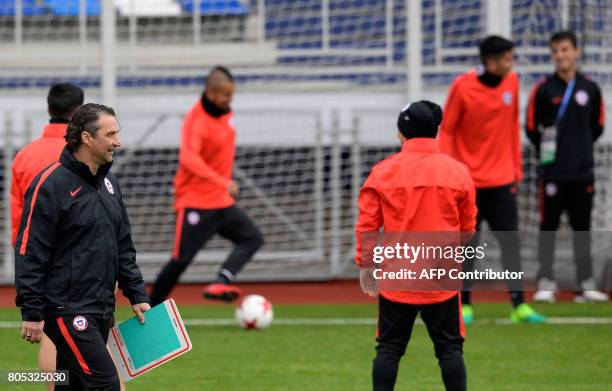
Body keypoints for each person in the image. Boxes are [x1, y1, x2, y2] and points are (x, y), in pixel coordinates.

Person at [15, 103, 150, 390]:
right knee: (106, 384)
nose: (118, 141)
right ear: (87, 138)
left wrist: (137, 293)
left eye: (118, 132)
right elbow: (30, 251)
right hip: (67, 310)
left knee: (70, 385)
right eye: (111, 133)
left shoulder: (110, 183)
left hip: (101, 307)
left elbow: (123, 245)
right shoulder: (50, 184)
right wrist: (32, 312)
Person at [355, 101, 477, 391]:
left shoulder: (383, 172)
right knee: (450, 351)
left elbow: (368, 225)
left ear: (402, 133)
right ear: (435, 131)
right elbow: (468, 228)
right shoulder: (457, 172)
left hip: (398, 277)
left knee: (388, 350)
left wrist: (366, 264)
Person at [439, 35, 546, 324]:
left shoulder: (512, 83)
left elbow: (512, 128)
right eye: (507, 58)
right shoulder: (462, 86)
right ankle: (465, 305)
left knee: (510, 243)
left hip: (502, 181)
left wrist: (516, 171)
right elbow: (447, 130)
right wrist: (451, 171)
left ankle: (518, 305)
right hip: (468, 183)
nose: (512, 63)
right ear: (490, 61)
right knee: (468, 246)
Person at [150, 66, 263, 305]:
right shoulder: (196, 120)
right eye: (225, 95)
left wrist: (222, 186)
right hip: (196, 202)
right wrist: (222, 181)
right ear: (210, 93)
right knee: (180, 260)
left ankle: (222, 281)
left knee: (252, 237)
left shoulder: (225, 113)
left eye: (231, 94)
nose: (229, 99)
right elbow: (188, 159)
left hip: (221, 200)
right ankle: (149, 309)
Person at [10, 82, 83, 391]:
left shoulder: (24, 156)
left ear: (49, 109)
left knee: (56, 335)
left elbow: (17, 218)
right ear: (79, 112)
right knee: (91, 338)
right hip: (80, 260)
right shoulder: (82, 154)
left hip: (40, 260)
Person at [526, 30, 608, 303]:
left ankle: (584, 284)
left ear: (576, 52)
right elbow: (530, 127)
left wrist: (579, 149)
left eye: (565, 50)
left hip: (583, 172)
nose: (560, 56)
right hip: (552, 173)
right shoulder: (542, 89)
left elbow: (597, 127)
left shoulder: (591, 88)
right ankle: (546, 281)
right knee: (548, 228)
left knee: (581, 229)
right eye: (555, 51)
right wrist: (551, 152)